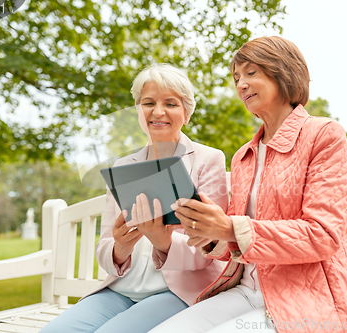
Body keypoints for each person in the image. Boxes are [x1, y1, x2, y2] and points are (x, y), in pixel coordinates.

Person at [150, 37, 347, 333]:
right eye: (237, 78)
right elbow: (235, 245)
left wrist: (228, 227)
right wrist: (212, 234)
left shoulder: (324, 135)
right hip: (245, 291)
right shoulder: (244, 156)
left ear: (283, 72)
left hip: (304, 300)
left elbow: (323, 234)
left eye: (251, 73)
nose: (241, 85)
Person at [40, 64, 228, 333]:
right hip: (120, 289)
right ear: (139, 111)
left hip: (176, 291)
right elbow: (105, 245)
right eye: (148, 102)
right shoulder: (123, 166)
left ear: (186, 112)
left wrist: (162, 241)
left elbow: (211, 250)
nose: (158, 111)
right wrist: (120, 248)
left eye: (171, 103)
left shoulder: (208, 160)